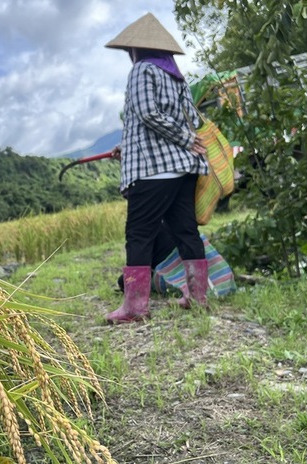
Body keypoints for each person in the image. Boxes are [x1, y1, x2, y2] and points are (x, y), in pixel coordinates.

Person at [104, 13, 209, 324]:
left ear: (136, 50)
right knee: (187, 231)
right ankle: (197, 297)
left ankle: (135, 308)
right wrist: (126, 147)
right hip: (181, 169)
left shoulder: (141, 70)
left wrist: (185, 138)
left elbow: (149, 113)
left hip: (153, 173)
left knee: (139, 235)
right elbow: (175, 118)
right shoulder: (176, 77)